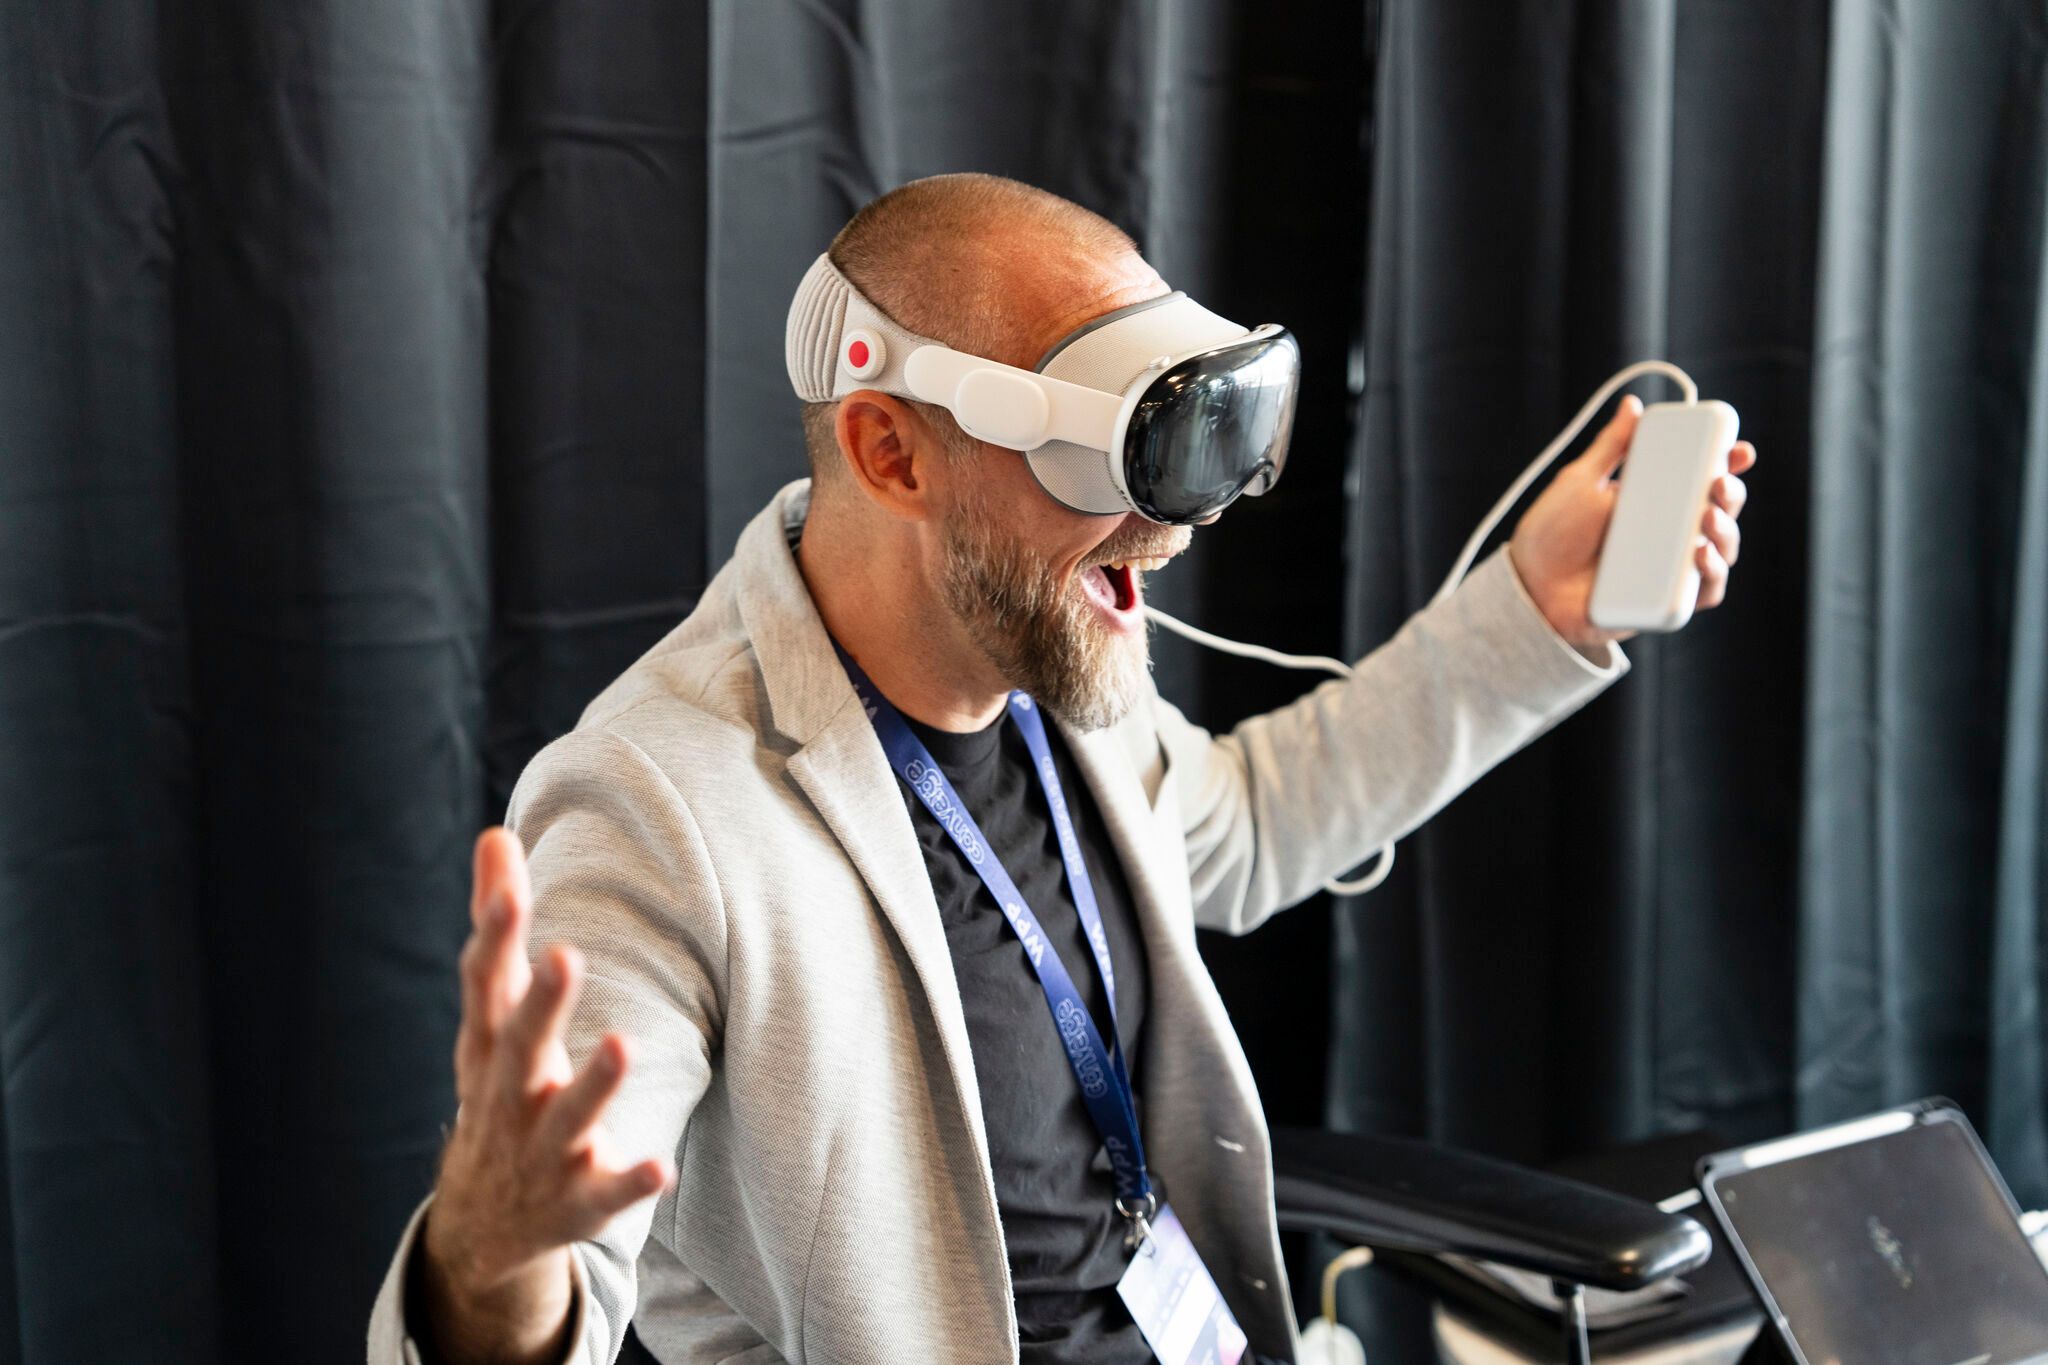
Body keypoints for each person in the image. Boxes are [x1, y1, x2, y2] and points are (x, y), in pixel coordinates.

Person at [366, 173, 1755, 1365]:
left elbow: (1253, 821)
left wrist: (1536, 612)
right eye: (1113, 461)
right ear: (890, 447)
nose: (1170, 537)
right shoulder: (662, 804)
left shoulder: (1049, 648)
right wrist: (492, 1263)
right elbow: (557, 1270)